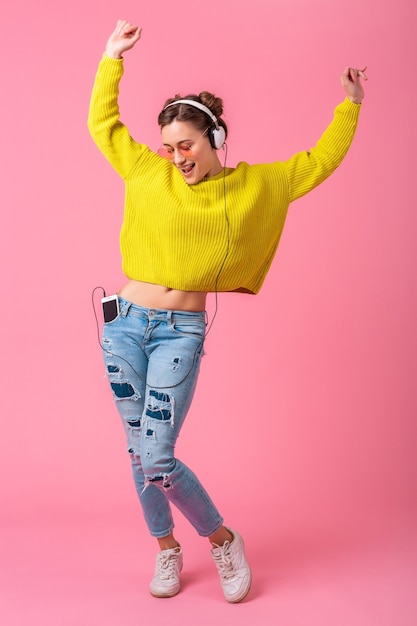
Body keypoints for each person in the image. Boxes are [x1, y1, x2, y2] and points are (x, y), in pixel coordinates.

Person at [88, 19, 366, 603]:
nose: (176, 156)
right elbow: (103, 126)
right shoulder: (148, 171)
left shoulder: (254, 187)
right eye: (169, 146)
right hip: (123, 324)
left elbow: (316, 163)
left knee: (157, 453)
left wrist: (351, 106)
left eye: (186, 144)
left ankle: (222, 539)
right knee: (138, 452)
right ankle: (167, 550)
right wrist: (112, 59)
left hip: (177, 333)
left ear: (215, 138)